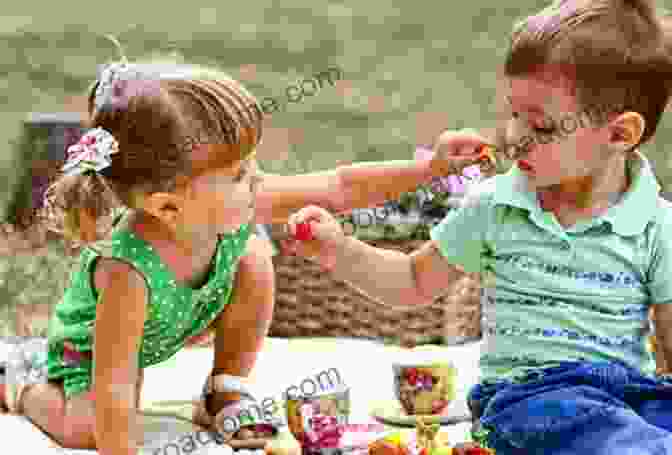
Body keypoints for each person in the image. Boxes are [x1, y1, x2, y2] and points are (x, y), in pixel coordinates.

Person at [0, 57, 483, 454]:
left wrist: (430, 169)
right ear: (168, 205)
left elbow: (340, 186)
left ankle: (225, 386)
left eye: (250, 163)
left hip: (179, 320)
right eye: (236, 172)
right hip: (92, 351)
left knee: (252, 248)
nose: (255, 178)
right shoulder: (127, 272)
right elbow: (113, 387)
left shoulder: (240, 202)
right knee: (92, 429)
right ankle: (22, 385)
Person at [285, 0, 672, 453]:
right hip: (526, 399)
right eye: (513, 113)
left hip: (627, 395)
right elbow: (411, 281)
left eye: (541, 127)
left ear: (619, 135)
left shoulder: (657, 225)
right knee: (598, 428)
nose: (512, 136)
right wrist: (338, 250)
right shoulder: (494, 207)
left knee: (644, 419)